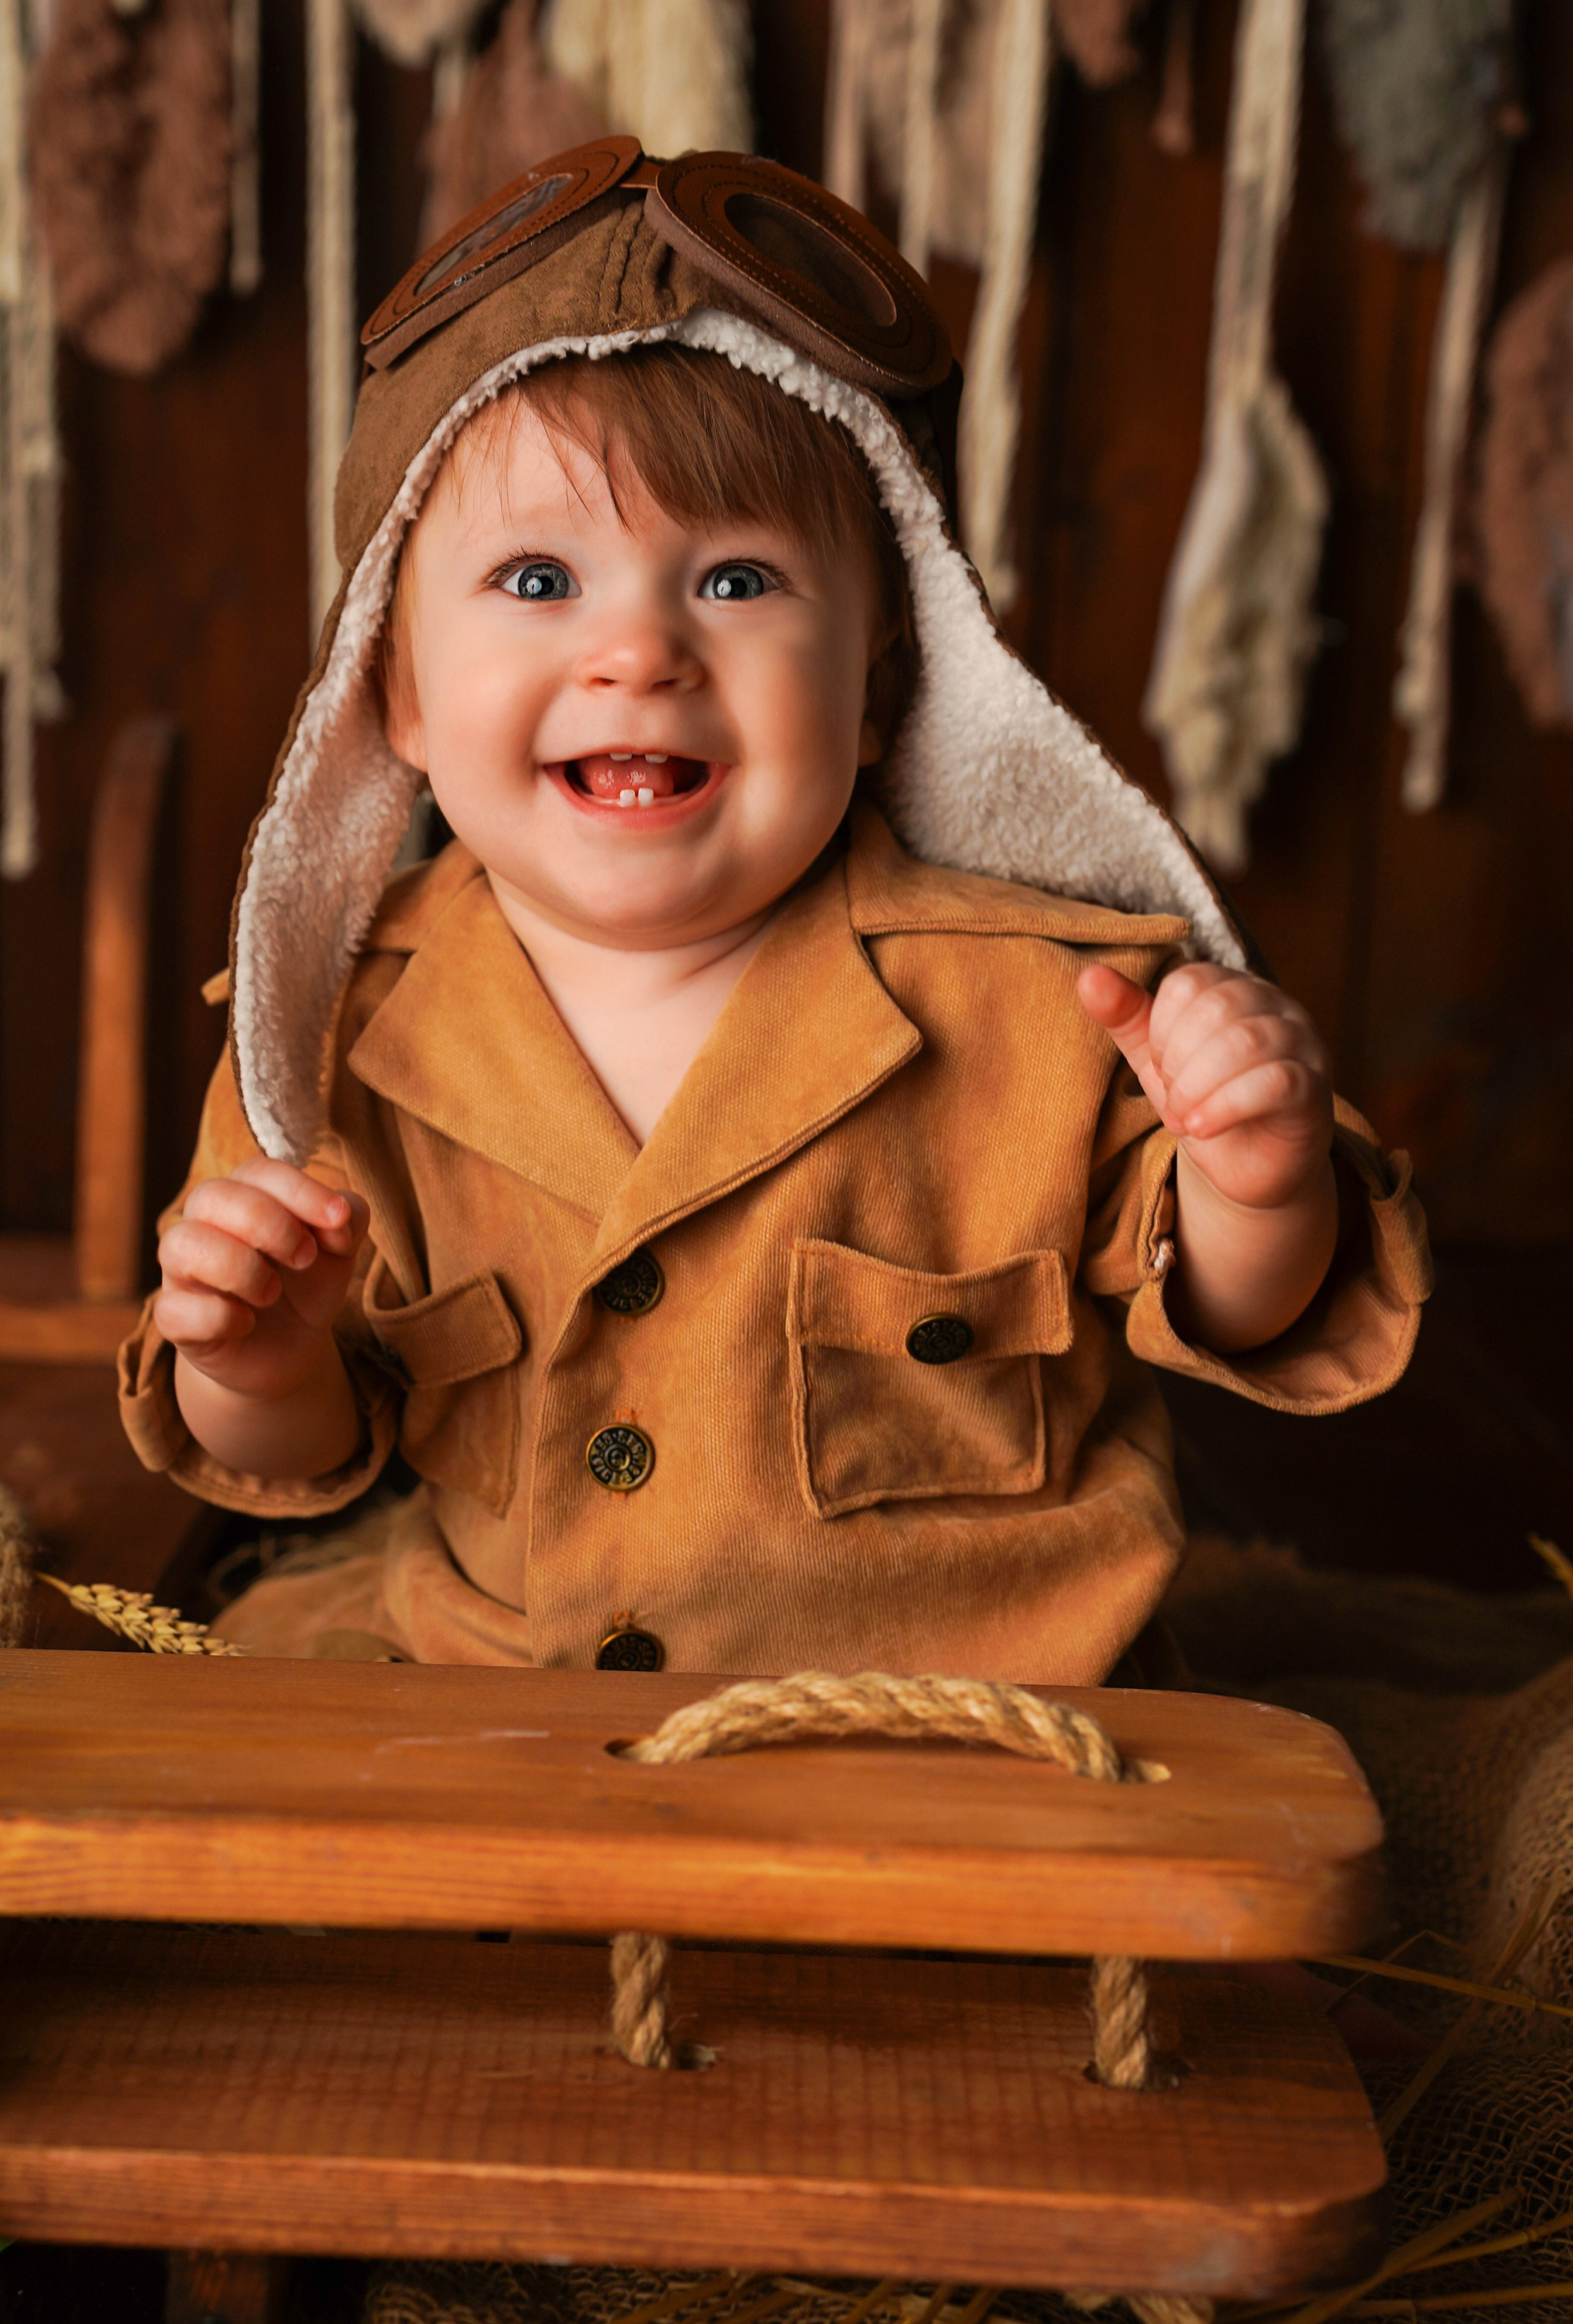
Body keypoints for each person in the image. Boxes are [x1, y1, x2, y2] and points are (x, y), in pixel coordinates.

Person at [118, 142, 1429, 1680]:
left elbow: (1253, 1316)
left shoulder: (1055, 1008)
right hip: (494, 1702)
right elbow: (299, 1454)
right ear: (392, 690)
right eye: (536, 580)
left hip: (948, 1733)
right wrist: (254, 1363)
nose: (638, 653)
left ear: (876, 691)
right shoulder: (328, 1033)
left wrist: (1255, 1185)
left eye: (735, 581)